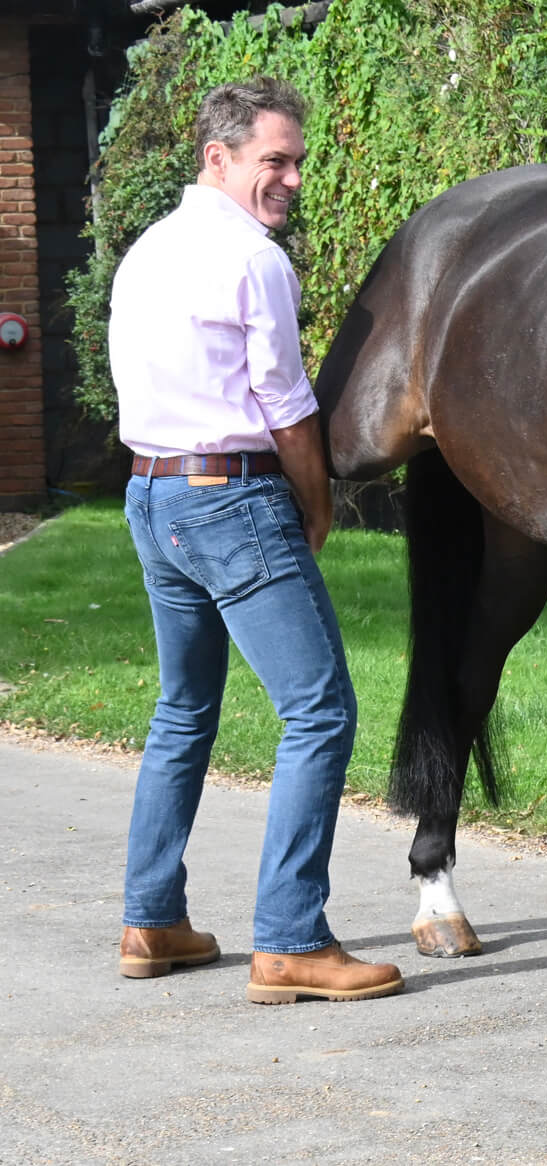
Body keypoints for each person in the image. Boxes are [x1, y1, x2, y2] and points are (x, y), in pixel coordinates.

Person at [108, 77, 403, 1005]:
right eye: (275, 161)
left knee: (183, 709)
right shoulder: (253, 260)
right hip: (231, 501)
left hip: (154, 497)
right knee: (319, 711)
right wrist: (315, 508)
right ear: (219, 156)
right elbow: (286, 405)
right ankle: (290, 941)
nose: (292, 180)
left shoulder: (146, 250)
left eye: (297, 163)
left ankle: (151, 922)